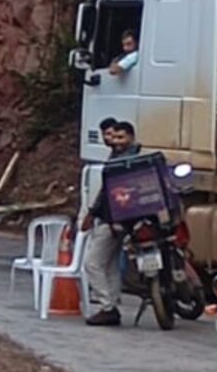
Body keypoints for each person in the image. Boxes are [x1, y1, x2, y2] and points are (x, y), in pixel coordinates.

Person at [81, 121, 141, 326]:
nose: (115, 141)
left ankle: (107, 306)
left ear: (131, 138)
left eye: (120, 137)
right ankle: (112, 303)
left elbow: (114, 194)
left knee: (92, 263)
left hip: (112, 220)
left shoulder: (126, 161)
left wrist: (112, 219)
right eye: (113, 137)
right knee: (111, 264)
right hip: (115, 219)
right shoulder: (119, 157)